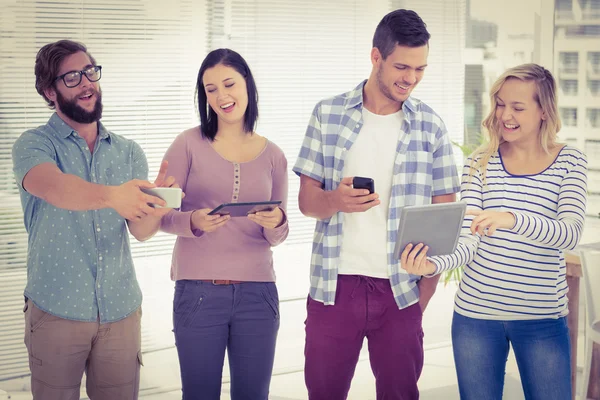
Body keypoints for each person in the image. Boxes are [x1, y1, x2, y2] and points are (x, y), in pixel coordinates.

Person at [293, 9, 460, 400]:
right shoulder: (328, 114)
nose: (411, 78)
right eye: (402, 66)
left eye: (420, 69)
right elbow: (306, 203)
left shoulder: (431, 126)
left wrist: (425, 294)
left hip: (401, 290)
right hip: (334, 287)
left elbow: (445, 222)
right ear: (376, 57)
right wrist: (336, 200)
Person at [400, 63, 588, 400]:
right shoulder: (479, 161)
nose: (504, 115)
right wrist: (432, 265)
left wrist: (511, 218)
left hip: (542, 318)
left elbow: (569, 233)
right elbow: (469, 239)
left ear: (543, 110)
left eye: (518, 107)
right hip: (475, 318)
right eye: (500, 104)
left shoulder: (569, 161)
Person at [11, 40, 180, 400]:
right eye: (71, 77)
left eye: (90, 71)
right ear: (49, 91)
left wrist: (157, 209)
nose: (87, 82)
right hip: (56, 311)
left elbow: (140, 232)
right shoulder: (34, 145)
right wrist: (112, 195)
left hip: (120, 312)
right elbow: (55, 188)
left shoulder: (128, 151)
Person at [156, 48, 289, 400]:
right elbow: (160, 215)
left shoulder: (274, 155)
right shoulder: (187, 144)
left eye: (228, 84)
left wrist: (276, 221)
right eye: (210, 89)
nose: (221, 96)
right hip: (198, 292)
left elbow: (279, 234)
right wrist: (193, 221)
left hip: (258, 295)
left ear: (247, 83)